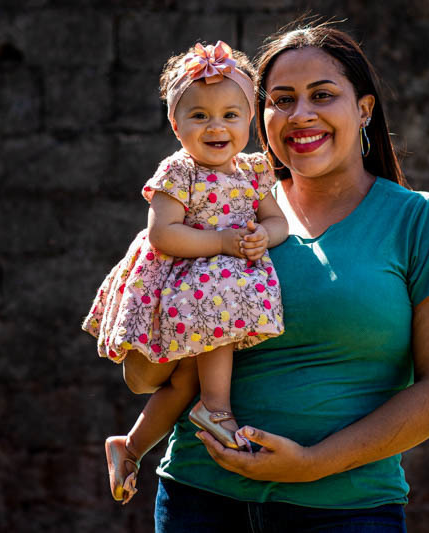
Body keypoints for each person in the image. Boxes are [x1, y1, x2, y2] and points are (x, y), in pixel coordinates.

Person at [153, 23, 429, 532]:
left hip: (345, 511)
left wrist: (313, 463)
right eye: (281, 99)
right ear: (259, 118)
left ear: (364, 110)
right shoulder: (220, 216)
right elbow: (152, 367)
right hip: (198, 499)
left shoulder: (423, 221)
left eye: (322, 95)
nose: (300, 114)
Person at [81, 41, 288, 504]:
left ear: (249, 121)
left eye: (230, 115)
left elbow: (278, 221)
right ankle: (217, 409)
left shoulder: (254, 172)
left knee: (186, 381)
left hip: (216, 289)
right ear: (176, 125)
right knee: (200, 349)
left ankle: (131, 446)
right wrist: (221, 241)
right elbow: (163, 234)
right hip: (174, 282)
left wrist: (262, 236)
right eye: (200, 116)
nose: (216, 126)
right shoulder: (179, 171)